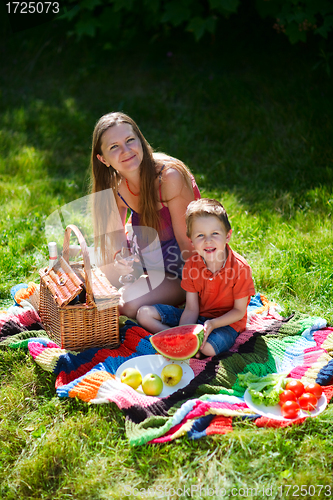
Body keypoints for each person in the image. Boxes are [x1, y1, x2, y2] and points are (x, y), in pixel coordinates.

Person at [90, 111, 200, 318]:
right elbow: (115, 242)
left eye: (130, 140)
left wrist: (196, 303)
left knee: (127, 305)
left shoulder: (168, 177)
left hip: (180, 270)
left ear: (140, 141)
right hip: (146, 261)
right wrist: (121, 259)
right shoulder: (115, 185)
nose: (126, 151)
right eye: (114, 147)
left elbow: (190, 246)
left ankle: (174, 303)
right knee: (92, 289)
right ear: (102, 159)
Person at [136, 198, 255, 357]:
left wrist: (212, 324)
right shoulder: (191, 265)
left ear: (228, 235)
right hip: (198, 316)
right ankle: (172, 338)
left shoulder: (240, 268)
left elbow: (239, 311)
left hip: (228, 323)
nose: (208, 241)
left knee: (207, 349)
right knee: (143, 314)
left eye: (215, 233)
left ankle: (191, 346)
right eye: (200, 235)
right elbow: (191, 308)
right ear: (191, 241)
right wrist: (183, 334)